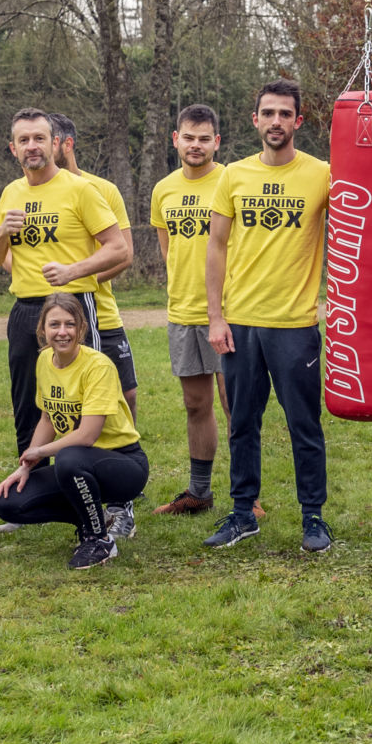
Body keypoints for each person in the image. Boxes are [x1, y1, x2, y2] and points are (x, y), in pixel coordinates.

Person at [203, 79, 372, 553]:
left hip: (296, 324)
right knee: (242, 423)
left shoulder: (323, 174)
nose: (276, 121)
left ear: (298, 121)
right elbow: (216, 247)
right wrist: (215, 317)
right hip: (241, 323)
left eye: (285, 113)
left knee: (304, 425)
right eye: (269, 113)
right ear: (255, 120)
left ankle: (313, 518)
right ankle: (243, 514)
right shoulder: (233, 175)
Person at [0, 109, 130, 517]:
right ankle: (32, 485)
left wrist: (73, 271)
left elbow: (119, 248)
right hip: (26, 309)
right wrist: (1, 234)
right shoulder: (11, 193)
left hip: (73, 307)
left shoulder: (79, 190)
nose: (32, 146)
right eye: (24, 140)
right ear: (13, 149)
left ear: (54, 144)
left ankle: (113, 504)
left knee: (86, 402)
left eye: (39, 138)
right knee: (29, 403)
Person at [0, 294, 148, 570]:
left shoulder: (97, 366)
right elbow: (47, 419)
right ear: (42, 330)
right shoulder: (43, 360)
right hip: (76, 463)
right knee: (9, 502)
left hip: (123, 464)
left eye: (69, 324)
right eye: (54, 325)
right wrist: (27, 466)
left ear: (81, 329)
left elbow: (87, 436)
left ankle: (100, 542)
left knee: (69, 457)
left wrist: (41, 452)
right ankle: (93, 520)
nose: (62, 332)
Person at [149, 103, 229, 515]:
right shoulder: (163, 189)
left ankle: (244, 497)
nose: (195, 145)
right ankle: (199, 493)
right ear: (175, 139)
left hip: (229, 312)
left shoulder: (231, 181)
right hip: (182, 312)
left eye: (204, 139)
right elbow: (170, 253)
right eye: (188, 137)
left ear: (216, 142)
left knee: (236, 404)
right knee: (196, 405)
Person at [49, 113, 139, 413]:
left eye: (47, 141)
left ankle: (125, 457)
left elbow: (124, 252)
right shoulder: (27, 193)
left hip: (102, 312)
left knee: (125, 395)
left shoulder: (104, 189)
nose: (37, 149)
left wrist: (80, 280)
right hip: (51, 315)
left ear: (67, 144)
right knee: (62, 398)